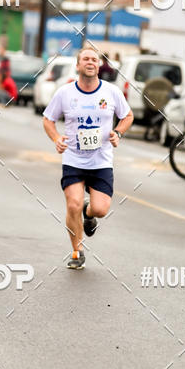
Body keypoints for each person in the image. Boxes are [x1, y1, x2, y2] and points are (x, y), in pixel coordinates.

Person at [42, 44, 133, 270]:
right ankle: (77, 251)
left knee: (100, 209)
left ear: (99, 65)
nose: (91, 62)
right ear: (78, 65)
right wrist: (56, 139)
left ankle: (88, 211)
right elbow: (47, 119)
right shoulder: (65, 93)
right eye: (86, 59)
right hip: (73, 158)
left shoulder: (111, 92)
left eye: (94, 59)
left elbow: (128, 115)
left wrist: (118, 132)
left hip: (101, 160)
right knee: (72, 205)